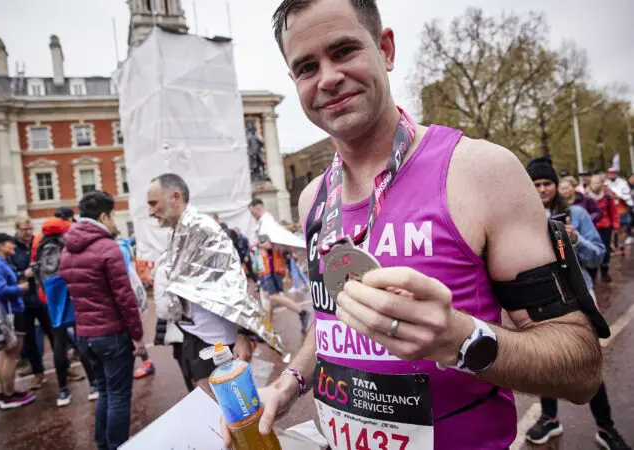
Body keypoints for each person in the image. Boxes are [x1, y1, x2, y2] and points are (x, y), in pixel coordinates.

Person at [221, 2, 605, 449]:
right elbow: (332, 322)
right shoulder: (313, 200)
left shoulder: (480, 171)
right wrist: (289, 383)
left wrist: (461, 340)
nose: (327, 77)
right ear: (295, 82)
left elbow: (582, 369)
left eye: (343, 51)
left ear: (385, 49)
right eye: (307, 67)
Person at [525, 160, 630, 449]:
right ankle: (549, 418)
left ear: (556, 186)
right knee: (546, 363)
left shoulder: (577, 213)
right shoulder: (523, 217)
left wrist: (575, 239)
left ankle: (605, 427)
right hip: (542, 301)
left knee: (587, 364)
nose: (541, 189)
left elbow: (598, 256)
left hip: (579, 299)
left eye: (546, 184)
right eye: (535, 185)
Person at [147, 173, 254, 393]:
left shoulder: (203, 230)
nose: (150, 211)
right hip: (192, 334)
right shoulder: (179, 231)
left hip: (215, 339)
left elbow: (235, 281)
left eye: (153, 203)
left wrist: (244, 335)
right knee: (208, 410)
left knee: (230, 412)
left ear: (175, 197)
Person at [59, 191, 146, 450]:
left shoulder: (68, 249)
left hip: (85, 333)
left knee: (105, 393)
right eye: (113, 215)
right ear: (104, 215)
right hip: (112, 333)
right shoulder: (107, 247)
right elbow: (124, 298)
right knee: (119, 395)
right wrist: (138, 336)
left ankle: (103, 444)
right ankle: (117, 444)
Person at [34, 209, 96, 407]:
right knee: (82, 338)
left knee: (58, 343)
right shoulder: (68, 240)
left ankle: (63, 391)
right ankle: (94, 384)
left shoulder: (39, 243)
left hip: (50, 296)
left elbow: (35, 270)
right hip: (71, 291)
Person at [0, 233, 36, 409]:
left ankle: (5, 393)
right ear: (0, 246)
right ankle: (8, 395)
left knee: (5, 355)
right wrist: (19, 288)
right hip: (11, 313)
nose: (13, 245)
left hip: (6, 312)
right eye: (9, 243)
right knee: (12, 355)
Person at [248, 199, 312, 332]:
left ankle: (302, 312)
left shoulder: (266, 221)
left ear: (257, 208)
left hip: (271, 266)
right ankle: (268, 330)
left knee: (272, 296)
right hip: (266, 266)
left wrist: (256, 245)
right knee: (266, 297)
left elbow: (270, 244)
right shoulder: (264, 222)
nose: (251, 215)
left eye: (251, 211)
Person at [9, 218, 52, 390]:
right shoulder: (11, 247)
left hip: (42, 296)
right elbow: (9, 272)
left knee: (54, 333)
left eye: (30, 228)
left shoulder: (38, 242)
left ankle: (65, 368)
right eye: (24, 229)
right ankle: (38, 373)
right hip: (23, 299)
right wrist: (23, 273)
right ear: (17, 229)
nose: (28, 232)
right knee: (30, 340)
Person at [115, 230, 156, 379]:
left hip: (128, 293)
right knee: (133, 331)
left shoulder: (118, 248)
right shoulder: (122, 245)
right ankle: (146, 361)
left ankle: (146, 362)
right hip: (132, 290)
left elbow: (123, 275)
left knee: (132, 332)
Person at [587, 175, 620, 283]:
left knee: (605, 250)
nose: (596, 185)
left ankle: (605, 272)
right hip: (591, 228)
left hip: (606, 228)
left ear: (601, 184)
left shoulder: (607, 197)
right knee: (592, 250)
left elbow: (614, 212)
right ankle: (593, 273)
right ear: (590, 184)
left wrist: (615, 225)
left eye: (598, 183)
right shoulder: (586, 198)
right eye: (594, 183)